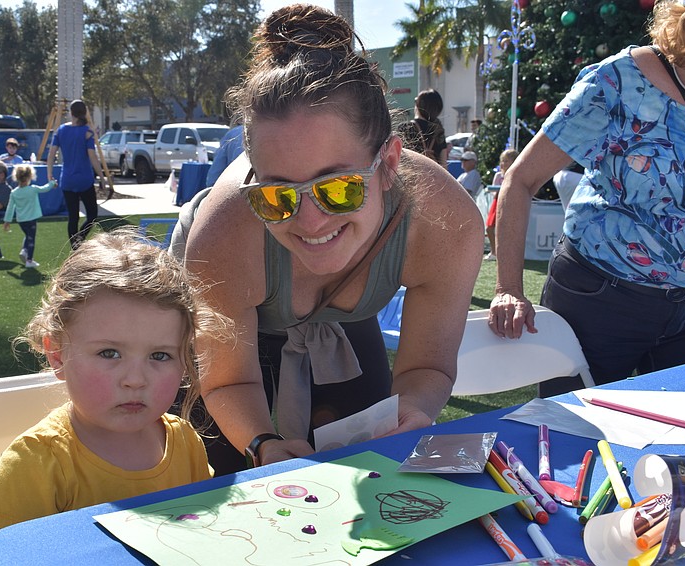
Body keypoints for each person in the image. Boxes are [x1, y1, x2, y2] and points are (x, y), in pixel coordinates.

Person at [175, 4, 483, 475]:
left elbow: (428, 368)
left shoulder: (445, 219)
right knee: (225, 473)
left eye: (337, 188)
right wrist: (262, 443)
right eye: (278, 196)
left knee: (369, 462)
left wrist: (415, 411)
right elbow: (227, 382)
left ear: (389, 162)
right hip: (228, 314)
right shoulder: (224, 231)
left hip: (347, 320)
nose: (311, 221)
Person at [489, 0, 685, 397]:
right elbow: (520, 180)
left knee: (683, 447)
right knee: (577, 442)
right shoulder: (617, 81)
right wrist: (508, 289)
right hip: (601, 300)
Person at [0, 228, 232, 538]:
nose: (135, 380)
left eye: (160, 356)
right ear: (57, 355)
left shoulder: (185, 441)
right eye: (109, 353)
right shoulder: (38, 462)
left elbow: (198, 534)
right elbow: (1, 556)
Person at [46, 99, 105, 249]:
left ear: (71, 113)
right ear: (85, 112)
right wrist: (102, 177)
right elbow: (93, 157)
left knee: (73, 216)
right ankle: (80, 238)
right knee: (92, 215)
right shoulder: (87, 132)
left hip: (67, 179)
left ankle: (75, 246)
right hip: (84, 179)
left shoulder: (60, 130)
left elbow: (51, 155)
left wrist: (49, 174)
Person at [3, 163, 57, 269]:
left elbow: (10, 207)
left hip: (21, 220)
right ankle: (29, 260)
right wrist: (52, 183)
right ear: (29, 177)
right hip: (31, 219)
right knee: (31, 238)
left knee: (28, 236)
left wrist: (7, 221)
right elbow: (45, 188)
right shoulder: (33, 189)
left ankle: (24, 250)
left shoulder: (14, 192)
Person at [396, 89, 450, 167]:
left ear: (418, 105)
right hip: (433, 176)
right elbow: (444, 164)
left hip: (411, 175)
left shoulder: (405, 128)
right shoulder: (439, 131)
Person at [484, 149, 519, 261]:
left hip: (510, 203)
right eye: (502, 161)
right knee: (489, 227)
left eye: (506, 161)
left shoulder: (517, 175)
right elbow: (494, 190)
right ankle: (494, 252)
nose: (503, 164)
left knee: (506, 229)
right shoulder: (499, 175)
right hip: (497, 202)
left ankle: (506, 253)